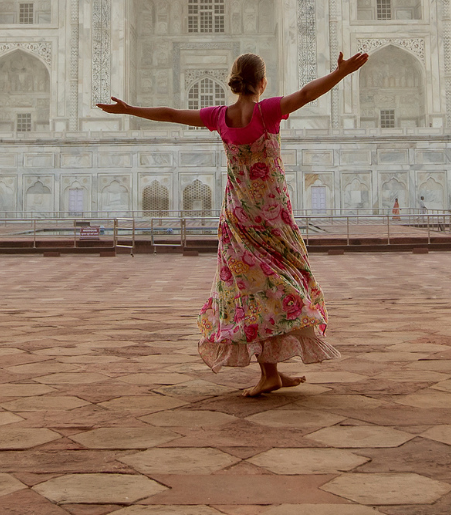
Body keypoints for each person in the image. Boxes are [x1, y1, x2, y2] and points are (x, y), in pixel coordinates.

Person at [99, 49, 368, 397]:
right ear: (261, 81)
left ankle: (271, 370)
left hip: (238, 216)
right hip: (272, 216)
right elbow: (305, 94)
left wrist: (129, 109)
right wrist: (340, 74)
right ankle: (270, 371)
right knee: (283, 282)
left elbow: (169, 113)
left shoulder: (220, 116)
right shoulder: (267, 111)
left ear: (236, 82)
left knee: (251, 290)